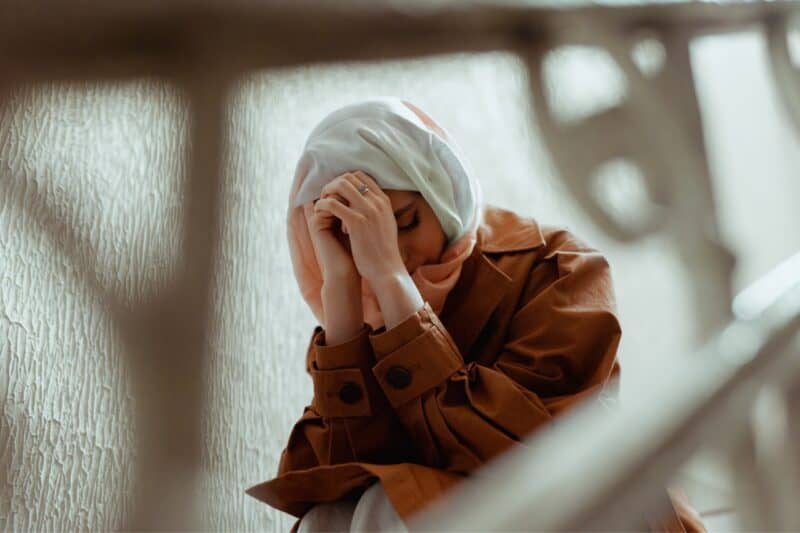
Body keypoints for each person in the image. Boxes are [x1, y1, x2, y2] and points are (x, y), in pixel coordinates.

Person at [246, 98, 705, 532]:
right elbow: (341, 473)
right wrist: (342, 301)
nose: (393, 252)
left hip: (596, 510)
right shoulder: (360, 304)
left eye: (404, 223)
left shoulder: (558, 265)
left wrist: (394, 286)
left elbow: (529, 455)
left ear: (442, 192)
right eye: (358, 235)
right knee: (331, 517)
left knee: (388, 510)